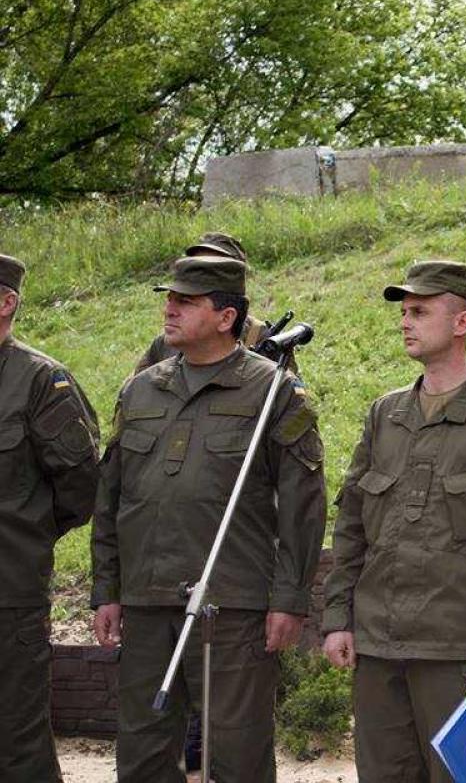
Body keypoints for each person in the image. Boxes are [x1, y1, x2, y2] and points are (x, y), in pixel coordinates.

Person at [91, 256, 326, 782]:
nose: (170, 309)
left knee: (236, 755)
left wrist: (289, 599)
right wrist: (107, 588)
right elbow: (111, 499)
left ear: (226, 317)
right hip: (147, 601)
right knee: (142, 754)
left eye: (186, 301)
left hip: (233, 605)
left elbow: (304, 506)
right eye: (169, 299)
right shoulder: (140, 389)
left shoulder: (274, 392)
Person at [322, 260, 466, 783]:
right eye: (404, 312)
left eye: (420, 311)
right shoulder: (385, 414)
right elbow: (352, 525)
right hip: (378, 645)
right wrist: (338, 615)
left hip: (458, 648)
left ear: (461, 322)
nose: (405, 322)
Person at [0, 254, 100, 781]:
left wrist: (27, 529)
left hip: (9, 595)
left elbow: (81, 486)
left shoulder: (39, 381)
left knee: (18, 744)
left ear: (6, 302)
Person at [133, 233, 276, 375]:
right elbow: (137, 386)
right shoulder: (165, 344)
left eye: (216, 266)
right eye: (197, 265)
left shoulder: (262, 337)